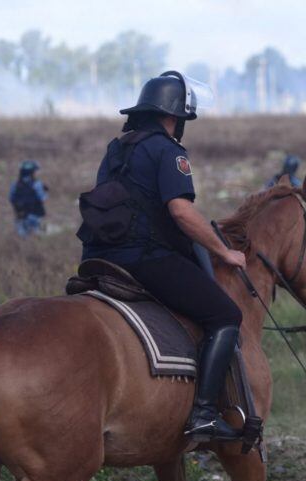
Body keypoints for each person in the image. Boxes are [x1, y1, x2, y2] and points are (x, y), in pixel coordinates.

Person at [77, 71, 246, 442]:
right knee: (226, 315)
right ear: (175, 117)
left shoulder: (116, 149)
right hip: (144, 258)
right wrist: (225, 252)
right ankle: (203, 413)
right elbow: (182, 213)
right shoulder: (170, 151)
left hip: (100, 257)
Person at [9, 160, 48, 237]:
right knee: (37, 237)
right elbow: (43, 198)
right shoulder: (37, 184)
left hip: (20, 216)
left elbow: (11, 198)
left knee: (22, 238)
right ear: (32, 173)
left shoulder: (15, 184)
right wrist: (45, 191)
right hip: (34, 215)